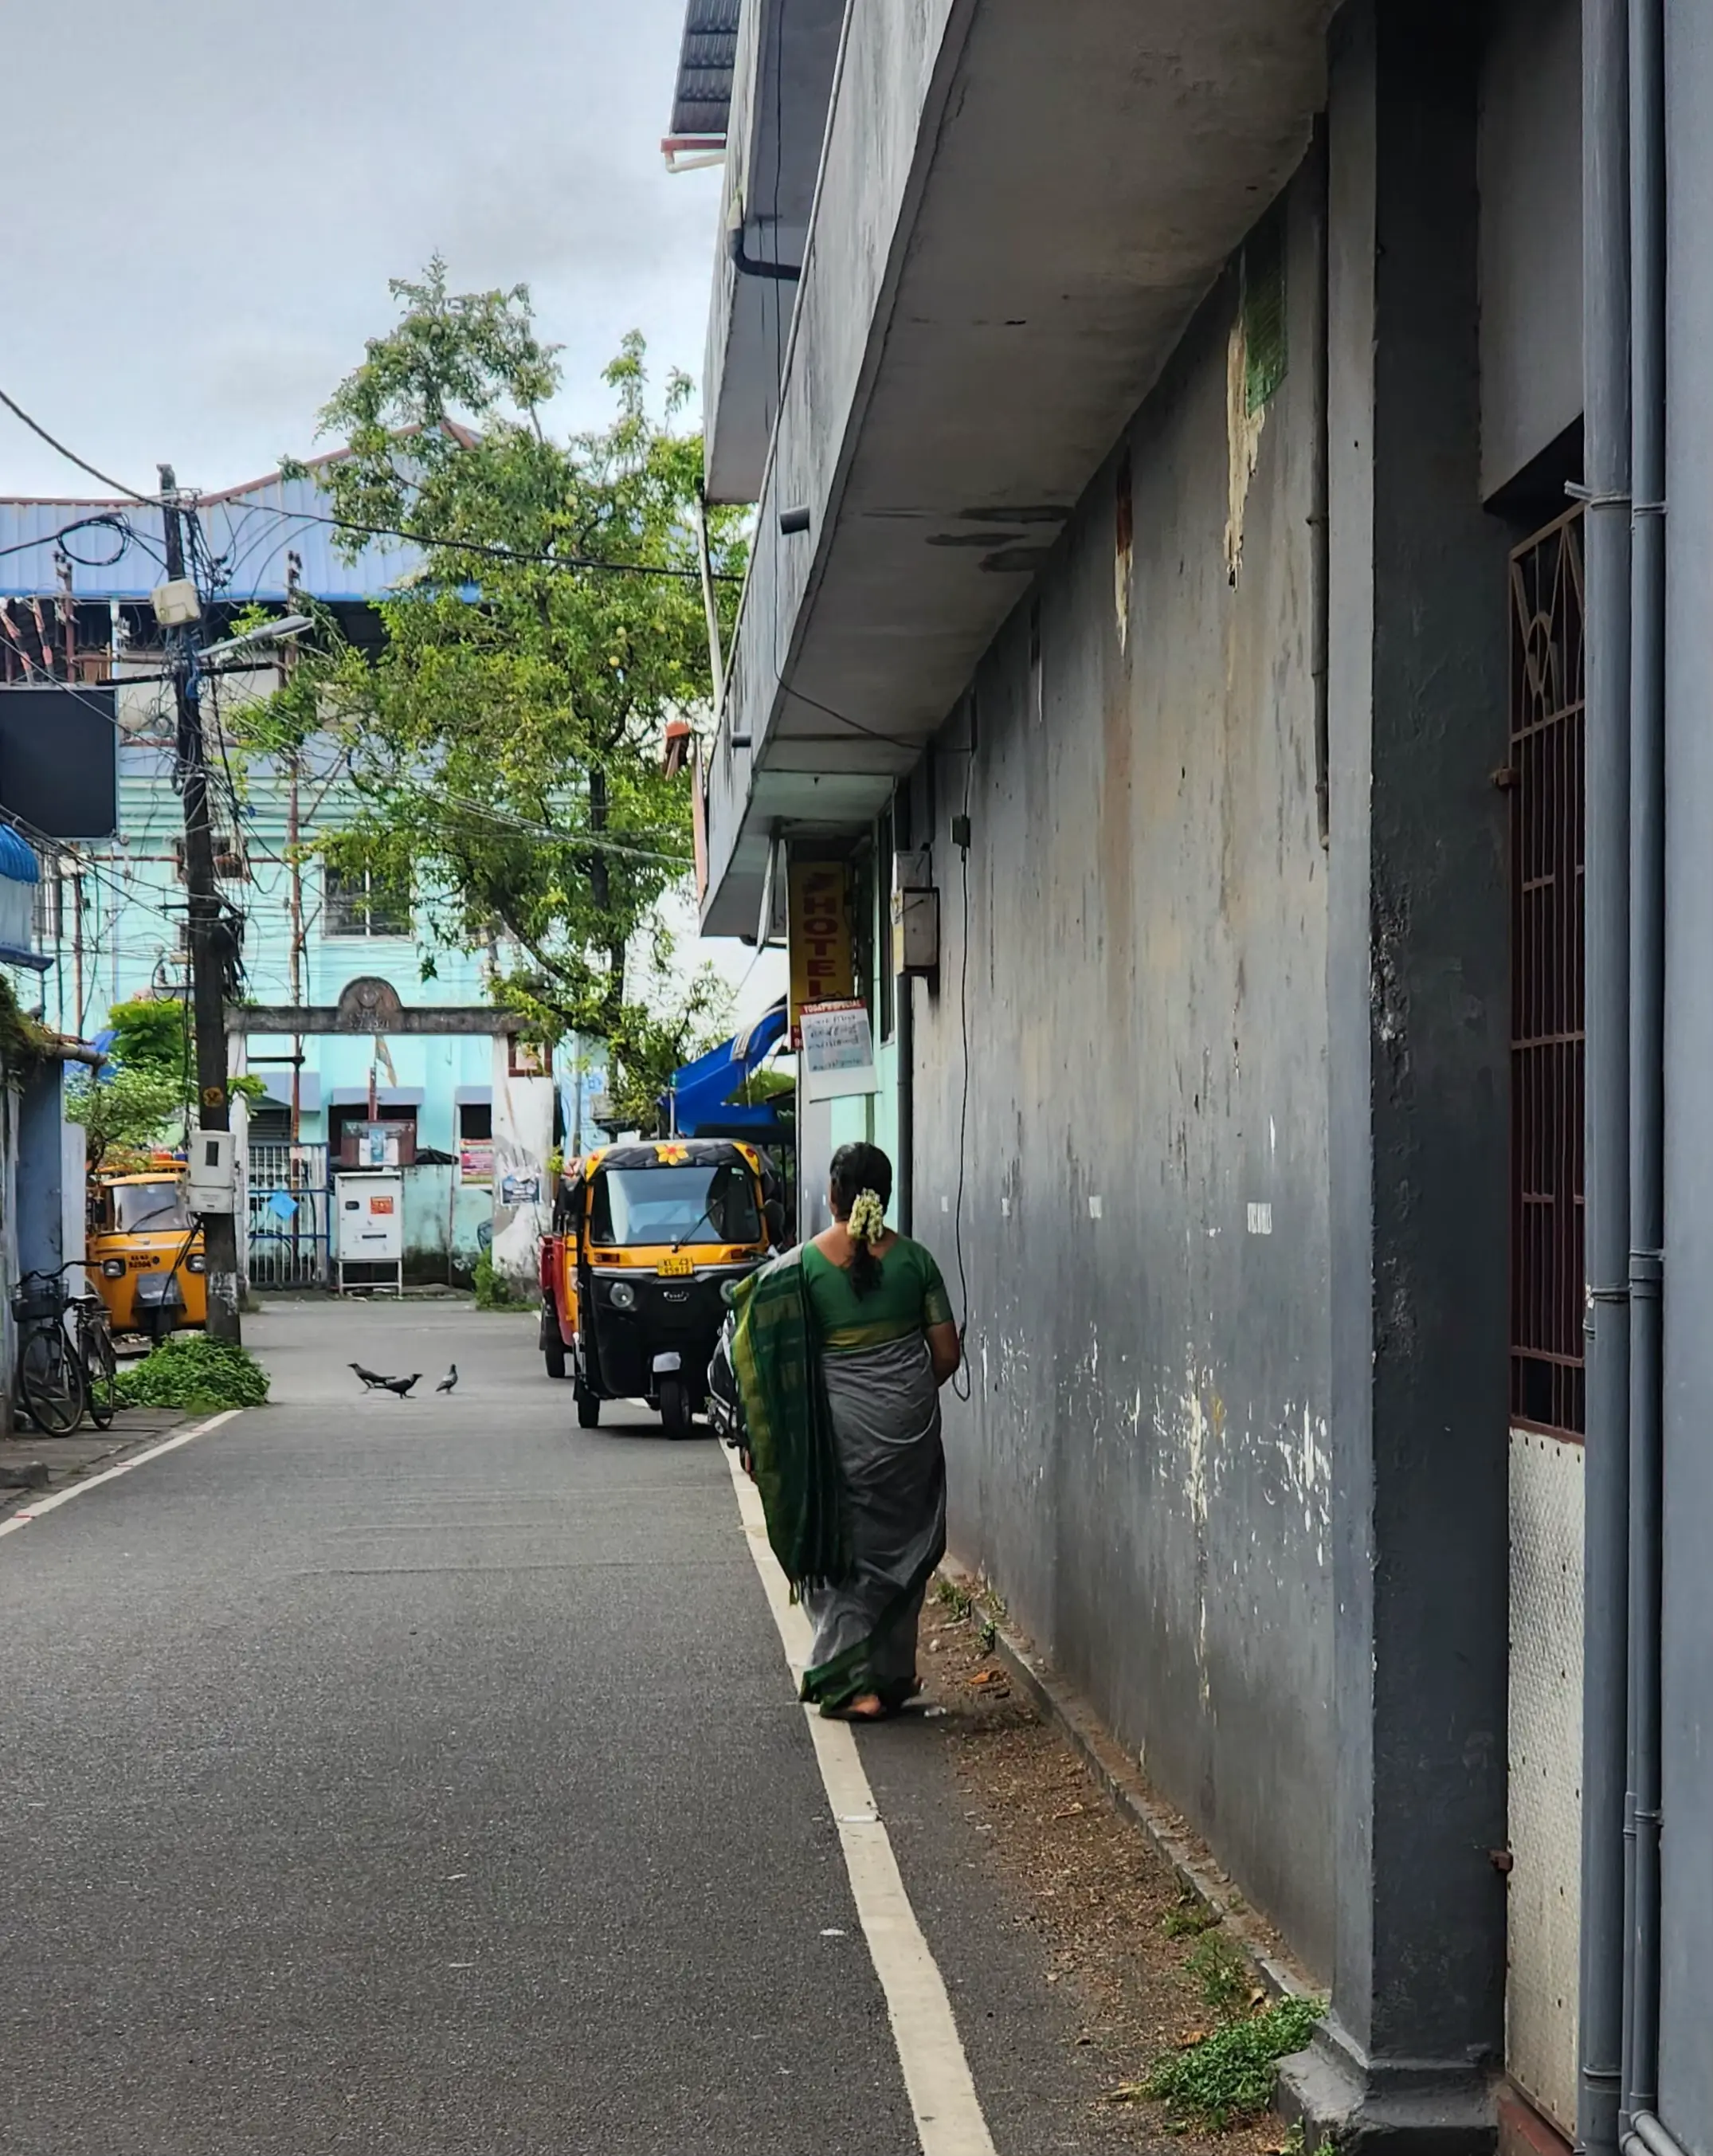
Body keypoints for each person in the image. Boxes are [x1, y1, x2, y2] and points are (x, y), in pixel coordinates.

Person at [727, 1141, 961, 1719]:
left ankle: (853, 1685)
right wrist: (900, 1398)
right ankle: (891, 1673)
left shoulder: (798, 1270)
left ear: (833, 1195)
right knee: (899, 1544)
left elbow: (758, 1353)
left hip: (838, 1433)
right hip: (908, 1431)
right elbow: (946, 1354)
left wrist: (764, 1435)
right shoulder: (917, 1262)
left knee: (843, 1548)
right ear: (887, 1193)